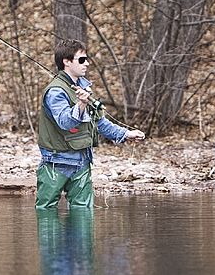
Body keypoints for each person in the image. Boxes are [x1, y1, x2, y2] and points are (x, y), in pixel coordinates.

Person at [36, 39, 145, 209]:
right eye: (81, 59)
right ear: (66, 61)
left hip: (82, 162)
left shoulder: (82, 88)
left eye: (86, 59)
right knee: (46, 212)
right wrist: (81, 104)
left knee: (83, 213)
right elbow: (64, 122)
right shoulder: (56, 91)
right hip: (56, 162)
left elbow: (99, 123)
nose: (86, 63)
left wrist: (125, 134)